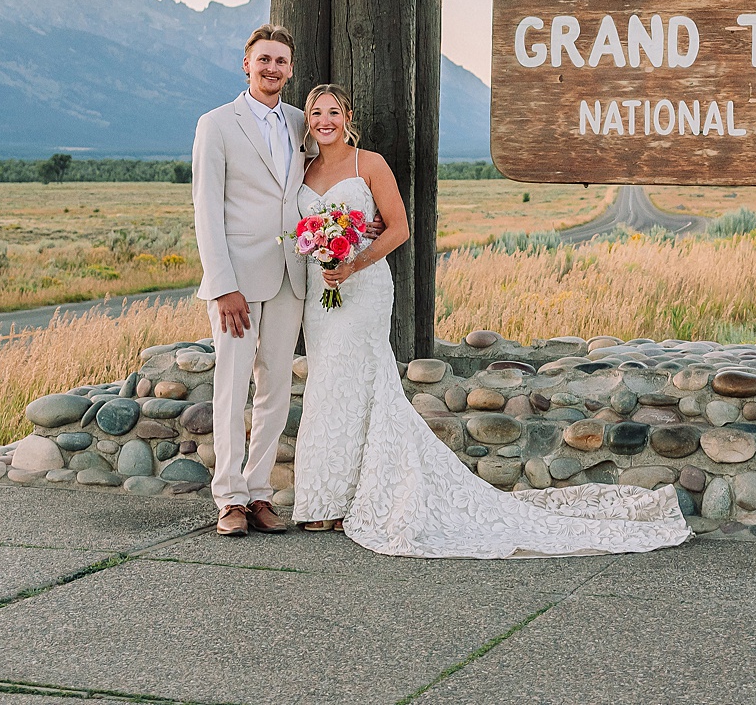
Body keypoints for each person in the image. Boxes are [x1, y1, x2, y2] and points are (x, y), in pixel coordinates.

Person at [289, 83, 691, 558]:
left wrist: (353, 262)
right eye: (316, 113)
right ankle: (324, 498)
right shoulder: (304, 168)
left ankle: (363, 496)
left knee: (364, 380)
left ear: (347, 115)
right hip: (322, 293)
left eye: (332, 112)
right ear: (308, 121)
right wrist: (322, 253)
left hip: (363, 287)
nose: (324, 121)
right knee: (328, 384)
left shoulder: (368, 164)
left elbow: (398, 228)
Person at [189, 25, 315, 537]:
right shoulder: (216, 125)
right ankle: (229, 498)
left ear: (290, 69)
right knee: (232, 385)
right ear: (247, 65)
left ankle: (260, 492)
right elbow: (206, 209)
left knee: (276, 386)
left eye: (281, 61)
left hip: (292, 275)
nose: (272, 68)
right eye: (264, 59)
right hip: (237, 280)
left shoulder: (302, 123)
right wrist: (222, 284)